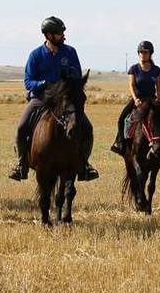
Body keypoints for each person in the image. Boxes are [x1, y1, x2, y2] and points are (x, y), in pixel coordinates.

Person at [7, 16, 99, 182]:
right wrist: (44, 84)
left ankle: (84, 165)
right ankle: (21, 165)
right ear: (48, 35)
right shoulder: (35, 55)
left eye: (63, 32)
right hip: (41, 99)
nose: (63, 36)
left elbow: (77, 75)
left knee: (87, 128)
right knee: (21, 128)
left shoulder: (70, 52)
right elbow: (28, 81)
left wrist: (68, 84)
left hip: (65, 100)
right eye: (59, 33)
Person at [110, 41, 160, 155]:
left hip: (151, 101)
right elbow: (131, 85)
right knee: (122, 118)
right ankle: (120, 144)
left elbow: (159, 87)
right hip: (138, 100)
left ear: (150, 53)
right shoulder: (134, 69)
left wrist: (158, 100)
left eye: (145, 52)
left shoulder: (156, 69)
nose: (142, 54)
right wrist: (135, 99)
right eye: (140, 52)